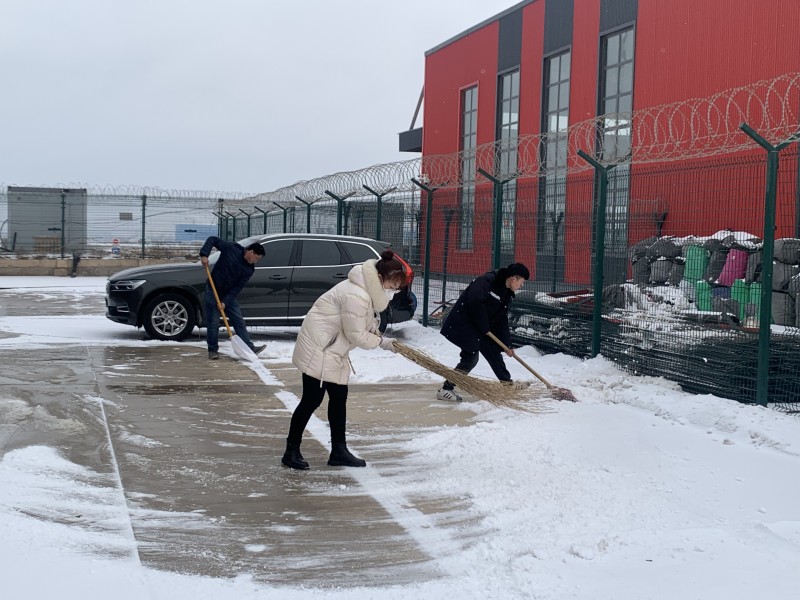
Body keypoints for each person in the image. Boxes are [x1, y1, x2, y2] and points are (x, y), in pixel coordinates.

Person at [281, 249, 404, 470]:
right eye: (392, 286)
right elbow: (356, 334)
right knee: (311, 400)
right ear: (379, 278)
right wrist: (381, 342)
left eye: (397, 287)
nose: (393, 291)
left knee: (338, 397)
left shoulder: (364, 290)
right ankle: (291, 451)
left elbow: (364, 323)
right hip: (320, 349)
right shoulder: (357, 295)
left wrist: (379, 336)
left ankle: (339, 451)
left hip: (332, 349)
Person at [437, 262, 530, 402]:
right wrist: (484, 327)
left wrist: (507, 345)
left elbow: (501, 319)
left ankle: (507, 385)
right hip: (464, 324)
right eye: (521, 282)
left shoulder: (507, 293)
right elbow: (474, 301)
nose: (521, 286)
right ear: (513, 278)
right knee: (471, 358)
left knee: (494, 352)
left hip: (482, 327)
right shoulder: (487, 281)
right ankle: (446, 389)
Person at [199, 236, 266, 360]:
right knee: (213, 322)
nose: (256, 261)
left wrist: (225, 302)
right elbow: (212, 239)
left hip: (228, 295)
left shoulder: (249, 269)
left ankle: (249, 347)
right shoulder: (232, 248)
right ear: (251, 252)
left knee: (238, 321)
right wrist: (204, 255)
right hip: (213, 289)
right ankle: (212, 350)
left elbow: (237, 287)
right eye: (257, 258)